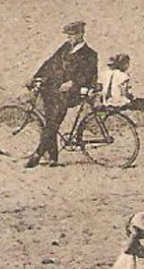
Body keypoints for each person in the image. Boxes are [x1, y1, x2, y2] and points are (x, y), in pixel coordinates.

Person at [26, 20, 98, 169]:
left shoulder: (89, 54)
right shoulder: (65, 48)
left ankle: (38, 154)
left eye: (72, 35)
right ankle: (53, 157)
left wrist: (74, 83)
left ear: (81, 34)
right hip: (56, 90)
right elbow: (51, 63)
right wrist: (36, 77)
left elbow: (89, 74)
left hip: (74, 92)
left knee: (53, 121)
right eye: (68, 36)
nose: (69, 38)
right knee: (50, 121)